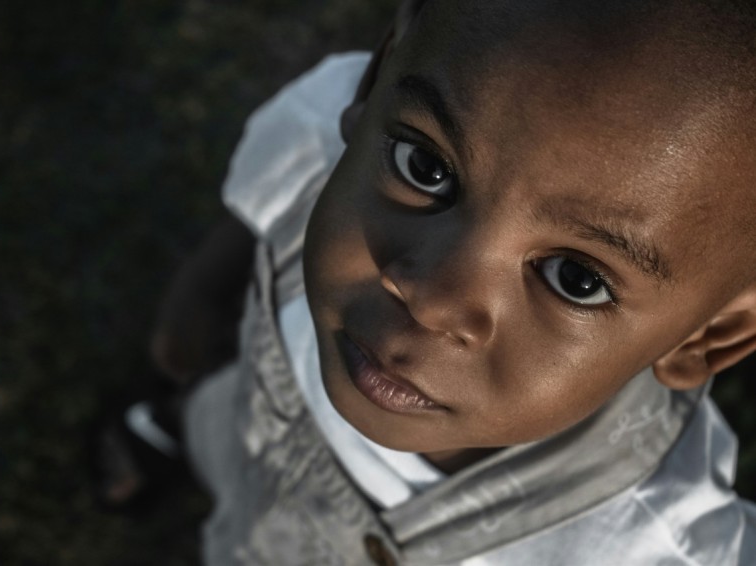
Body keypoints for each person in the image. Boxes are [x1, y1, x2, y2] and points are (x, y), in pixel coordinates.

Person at [106, 0, 756, 563]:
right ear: (375, 83)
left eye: (575, 279)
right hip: (243, 425)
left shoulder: (647, 551)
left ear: (708, 337)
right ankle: (170, 426)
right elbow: (268, 204)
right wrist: (201, 292)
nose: (433, 298)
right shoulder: (319, 137)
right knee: (218, 432)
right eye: (425, 167)